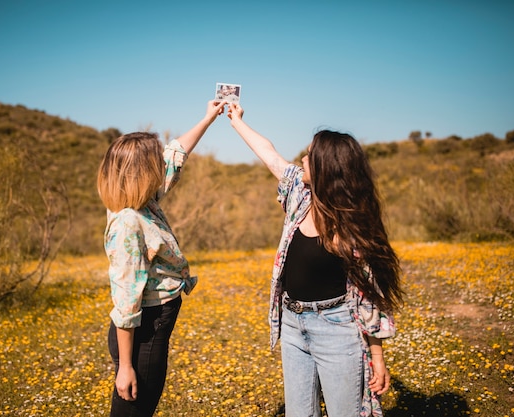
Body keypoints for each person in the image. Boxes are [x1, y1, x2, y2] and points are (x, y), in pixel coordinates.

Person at [226, 102, 403, 417]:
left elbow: (370, 296)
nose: (302, 159)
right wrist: (236, 120)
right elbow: (269, 153)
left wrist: (378, 356)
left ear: (326, 166)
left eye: (309, 155)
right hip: (293, 324)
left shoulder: (352, 224)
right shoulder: (299, 195)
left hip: (336, 328)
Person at [97, 100, 225, 417]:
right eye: (154, 161)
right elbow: (126, 303)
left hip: (151, 329)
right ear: (141, 173)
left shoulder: (144, 201)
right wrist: (125, 368)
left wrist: (208, 118)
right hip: (143, 335)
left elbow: (175, 154)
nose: (161, 164)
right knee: (133, 411)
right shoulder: (129, 224)